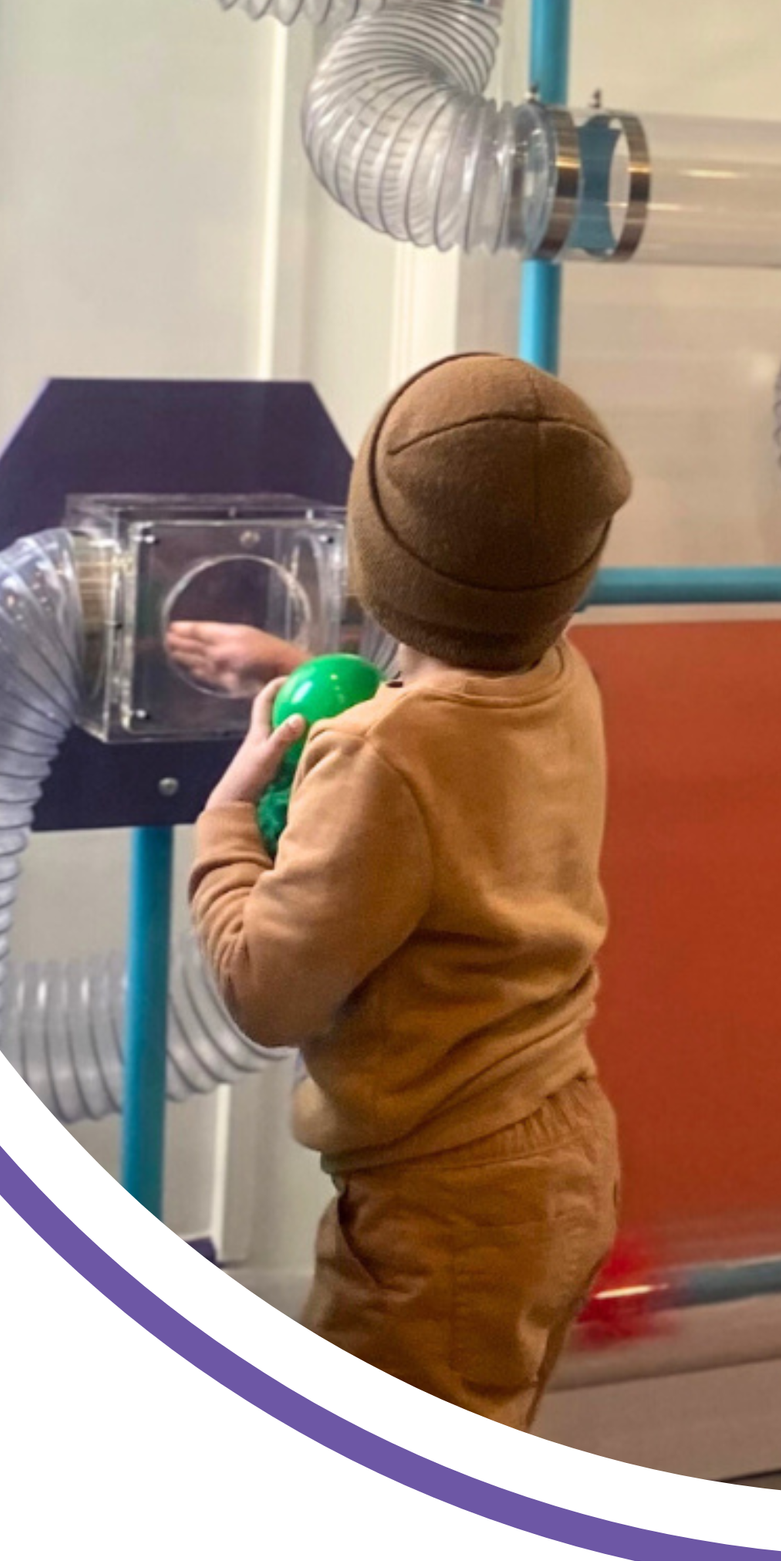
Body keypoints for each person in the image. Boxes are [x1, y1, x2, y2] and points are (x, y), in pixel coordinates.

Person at [188, 353, 632, 1429]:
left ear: (375, 556)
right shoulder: (562, 677)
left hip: (444, 1198)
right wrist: (301, 671)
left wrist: (230, 815)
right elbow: (444, 733)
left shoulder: (380, 763)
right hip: (557, 1143)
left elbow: (266, 988)